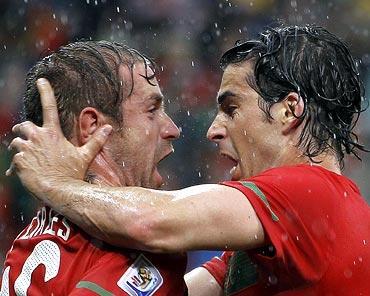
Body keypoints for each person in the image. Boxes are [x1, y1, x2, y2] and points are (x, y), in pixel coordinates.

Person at [8, 25, 370, 295]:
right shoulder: (269, 246)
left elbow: (149, 222)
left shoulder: (313, 191)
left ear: (289, 110)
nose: (212, 130)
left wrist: (55, 182)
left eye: (231, 108)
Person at [1, 41, 188, 295]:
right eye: (152, 110)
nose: (172, 130)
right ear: (92, 126)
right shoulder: (137, 246)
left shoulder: (30, 237)